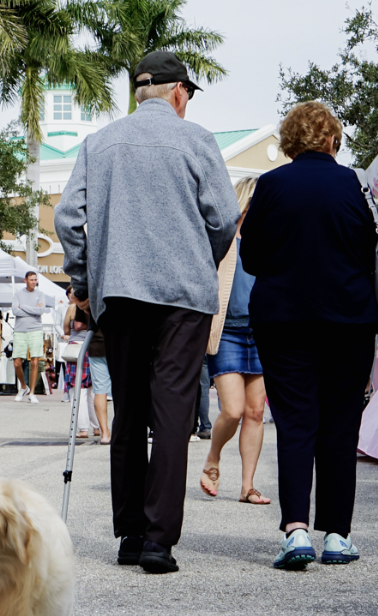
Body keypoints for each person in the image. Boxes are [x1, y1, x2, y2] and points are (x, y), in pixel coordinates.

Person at [54, 50, 239, 575]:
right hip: (183, 297)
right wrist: (204, 257)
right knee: (174, 412)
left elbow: (68, 219)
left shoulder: (99, 143)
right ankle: (159, 540)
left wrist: (84, 281)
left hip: (123, 293)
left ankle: (131, 534)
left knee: (130, 410)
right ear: (179, 92)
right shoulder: (198, 140)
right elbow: (225, 218)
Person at [240, 101, 377, 570]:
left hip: (284, 319)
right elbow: (372, 249)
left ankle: (296, 531)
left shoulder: (272, 185)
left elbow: (252, 258)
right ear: (333, 140)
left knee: (296, 424)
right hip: (349, 318)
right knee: (340, 426)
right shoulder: (356, 184)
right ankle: (337, 534)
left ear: (290, 143)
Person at [200, 177, 270, 505]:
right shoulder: (222, 237)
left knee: (256, 412)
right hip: (227, 330)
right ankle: (213, 456)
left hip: (262, 331)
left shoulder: (272, 236)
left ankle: (247, 486)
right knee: (233, 409)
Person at [63, 299, 111, 442]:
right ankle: (99, 427)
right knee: (97, 390)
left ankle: (104, 432)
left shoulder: (83, 299)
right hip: (116, 342)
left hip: (94, 344)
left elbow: (76, 325)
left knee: (96, 390)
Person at [13, 270, 47, 402]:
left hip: (35, 329)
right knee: (17, 362)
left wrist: (24, 307)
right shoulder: (18, 294)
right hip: (20, 330)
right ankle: (23, 386)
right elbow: (16, 310)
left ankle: (32, 392)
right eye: (31, 279)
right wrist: (33, 309)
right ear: (25, 280)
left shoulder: (40, 294)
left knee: (35, 361)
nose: (34, 282)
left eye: (35, 279)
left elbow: (40, 311)